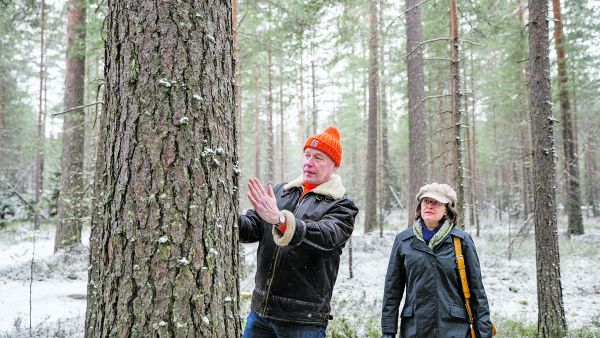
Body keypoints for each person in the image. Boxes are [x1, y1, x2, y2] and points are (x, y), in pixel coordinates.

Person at [239, 126, 359, 338]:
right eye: (307, 155)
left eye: (318, 157)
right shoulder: (280, 192)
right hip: (260, 314)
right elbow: (252, 227)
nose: (309, 162)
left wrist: (280, 220)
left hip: (303, 321)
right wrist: (224, 219)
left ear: (334, 165)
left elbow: (326, 235)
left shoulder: (342, 206)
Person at [381, 183, 493, 338]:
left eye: (437, 202)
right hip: (415, 329)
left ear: (447, 210)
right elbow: (392, 290)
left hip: (455, 329)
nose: (430, 206)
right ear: (420, 206)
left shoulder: (461, 241)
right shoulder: (403, 241)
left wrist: (484, 332)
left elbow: (477, 291)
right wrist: (388, 330)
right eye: (426, 201)